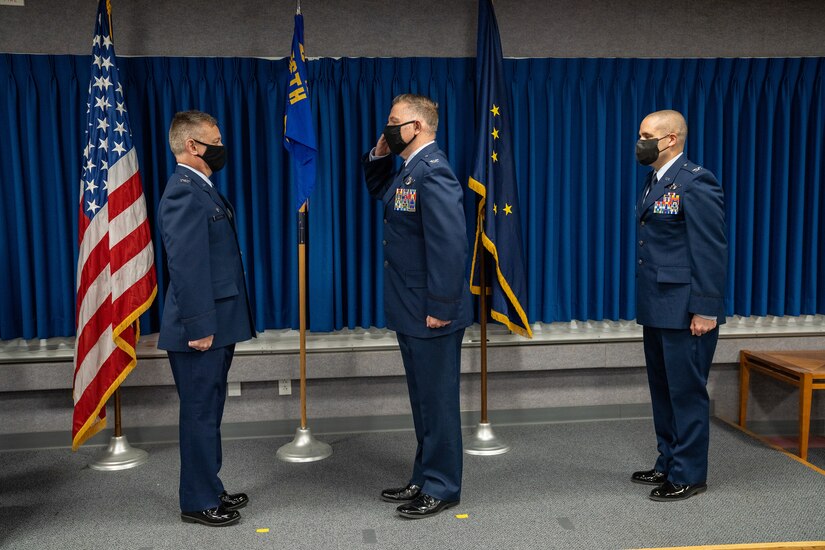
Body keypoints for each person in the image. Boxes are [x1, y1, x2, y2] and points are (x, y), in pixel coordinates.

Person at [362, 94, 473, 519]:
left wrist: (442, 306)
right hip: (411, 307)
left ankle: (443, 486)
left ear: (419, 127)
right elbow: (380, 191)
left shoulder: (435, 172)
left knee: (438, 401)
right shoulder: (409, 170)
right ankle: (424, 475)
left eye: (394, 121)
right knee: (423, 399)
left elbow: (450, 246)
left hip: (432, 310)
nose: (388, 126)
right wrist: (379, 153)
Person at [157, 110, 256, 526]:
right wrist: (199, 326)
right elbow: (186, 265)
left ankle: (209, 486)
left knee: (209, 409)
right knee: (199, 413)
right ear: (192, 146)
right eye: (214, 141)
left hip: (218, 320)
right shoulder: (183, 191)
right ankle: (197, 501)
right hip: (201, 327)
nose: (221, 147)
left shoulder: (202, 187)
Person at [630, 110, 727, 501]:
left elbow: (711, 249)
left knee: (686, 392)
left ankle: (689, 473)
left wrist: (706, 309)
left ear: (670, 140)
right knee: (664, 390)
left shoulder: (696, 181)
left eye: (646, 135)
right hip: (658, 304)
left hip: (687, 309)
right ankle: (668, 460)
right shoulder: (656, 180)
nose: (640, 141)